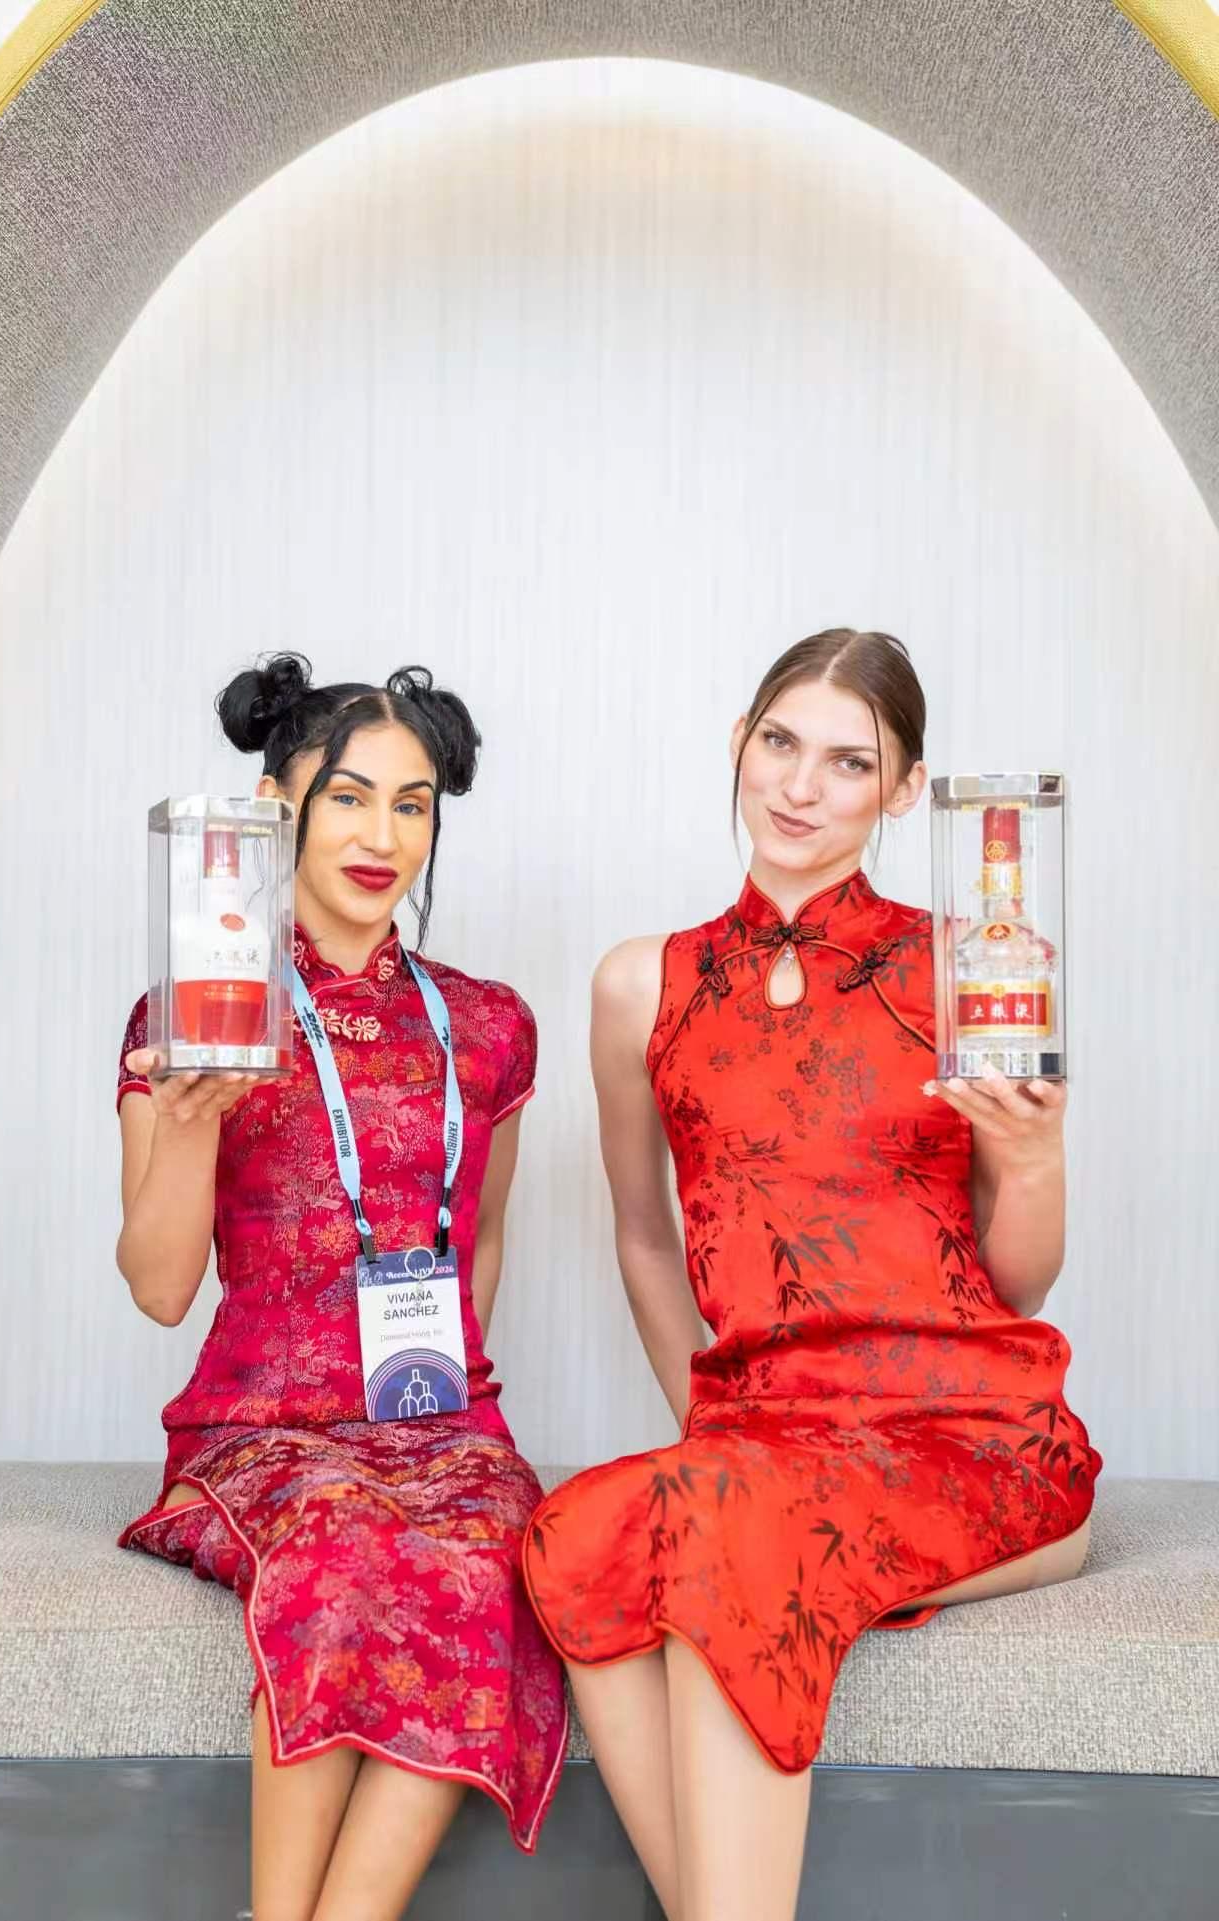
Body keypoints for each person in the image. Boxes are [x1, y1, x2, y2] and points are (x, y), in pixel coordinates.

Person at [522, 627, 1100, 1921]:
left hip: (977, 1432)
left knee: (724, 1531)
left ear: (902, 790)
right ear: (739, 742)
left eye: (849, 762)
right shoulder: (640, 985)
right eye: (780, 742)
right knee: (577, 1533)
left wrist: (1036, 1153)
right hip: (771, 1443)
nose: (799, 786)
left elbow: (1019, 1283)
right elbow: (642, 1234)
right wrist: (714, 1429)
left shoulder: (976, 969)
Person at [116, 655, 566, 1921]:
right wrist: (190, 1117)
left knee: (495, 1565)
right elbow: (158, 1286)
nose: (382, 835)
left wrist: (442, 1409)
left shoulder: (488, 1025)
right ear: (278, 808)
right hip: (261, 1429)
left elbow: (480, 1239)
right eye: (350, 797)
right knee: (339, 1545)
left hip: (442, 1427)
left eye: (411, 804)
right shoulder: (199, 1013)